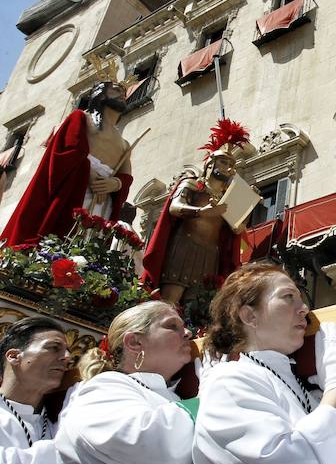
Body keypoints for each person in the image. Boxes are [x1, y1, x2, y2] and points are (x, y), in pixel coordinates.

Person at [192, 262, 336, 464]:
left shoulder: (292, 380)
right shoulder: (227, 382)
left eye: (301, 298)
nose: (304, 309)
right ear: (250, 316)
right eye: (288, 297)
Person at [55, 301, 197, 464]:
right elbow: (144, 446)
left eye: (184, 327)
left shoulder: (171, 396)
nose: (188, 333)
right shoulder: (103, 388)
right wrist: (212, 398)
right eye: (172, 326)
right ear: (135, 342)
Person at [1, 80, 133, 246]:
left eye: (124, 92)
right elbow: (68, 151)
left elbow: (126, 175)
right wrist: (91, 175)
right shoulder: (81, 118)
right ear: (100, 94)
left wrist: (115, 184)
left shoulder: (124, 144)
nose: (122, 94)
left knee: (87, 244)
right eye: (115, 90)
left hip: (101, 202)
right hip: (72, 192)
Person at [142, 118, 249, 305]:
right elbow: (175, 208)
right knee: (170, 300)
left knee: (198, 307)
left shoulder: (228, 199)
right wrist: (202, 211)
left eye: (231, 164)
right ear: (210, 164)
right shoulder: (192, 184)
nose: (229, 168)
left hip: (211, 254)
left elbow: (238, 229)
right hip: (185, 246)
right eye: (223, 162)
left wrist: (246, 205)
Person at [0, 316, 70, 464]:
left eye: (67, 351)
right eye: (53, 347)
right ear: (14, 356)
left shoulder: (63, 421)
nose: (67, 357)